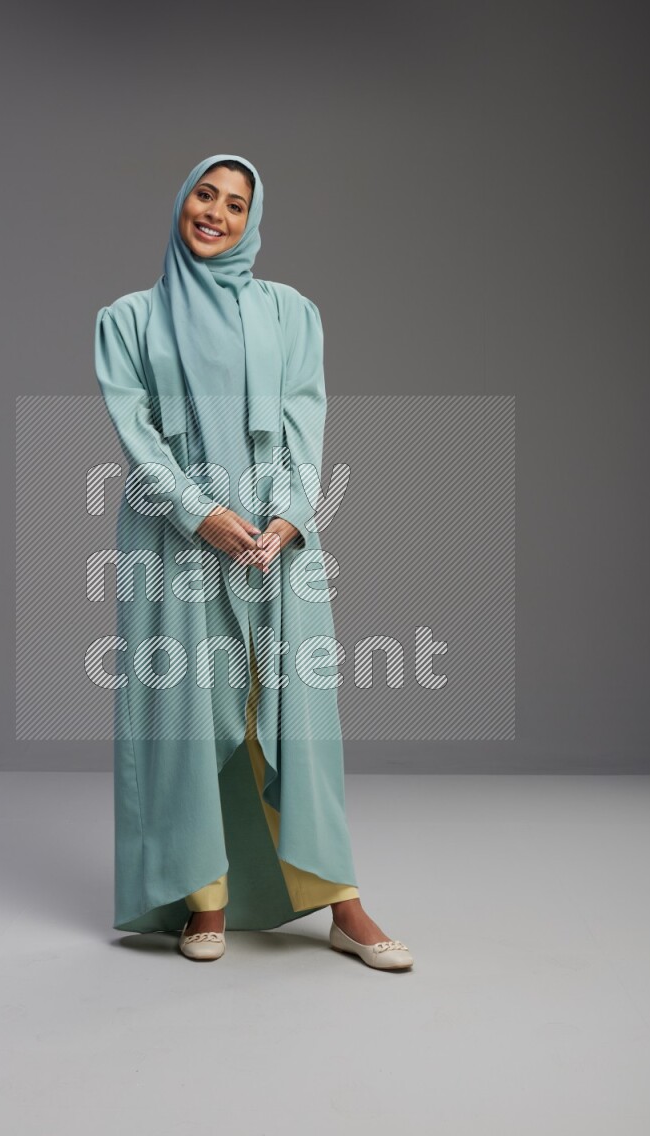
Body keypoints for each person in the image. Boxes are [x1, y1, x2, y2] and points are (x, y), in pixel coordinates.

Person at [94, 153, 413, 971]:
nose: (217, 213)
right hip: (173, 539)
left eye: (236, 204)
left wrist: (292, 518)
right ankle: (205, 899)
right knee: (184, 714)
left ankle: (342, 905)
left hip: (275, 539)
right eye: (205, 195)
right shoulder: (129, 320)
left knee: (298, 716)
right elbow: (137, 438)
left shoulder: (290, 313)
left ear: (252, 221)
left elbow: (306, 426)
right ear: (182, 202)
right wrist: (199, 512)